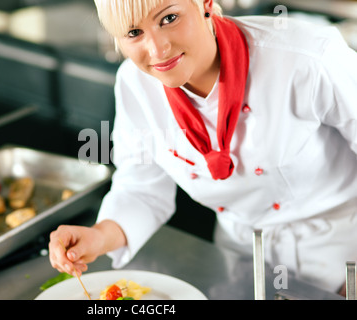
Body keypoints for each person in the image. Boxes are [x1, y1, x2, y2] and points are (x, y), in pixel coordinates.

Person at [49, 0, 357, 295]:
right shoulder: (135, 85)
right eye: (133, 33)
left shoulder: (306, 57)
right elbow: (140, 190)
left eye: (169, 18)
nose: (157, 49)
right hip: (240, 260)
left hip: (342, 256)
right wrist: (99, 236)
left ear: (206, 3)